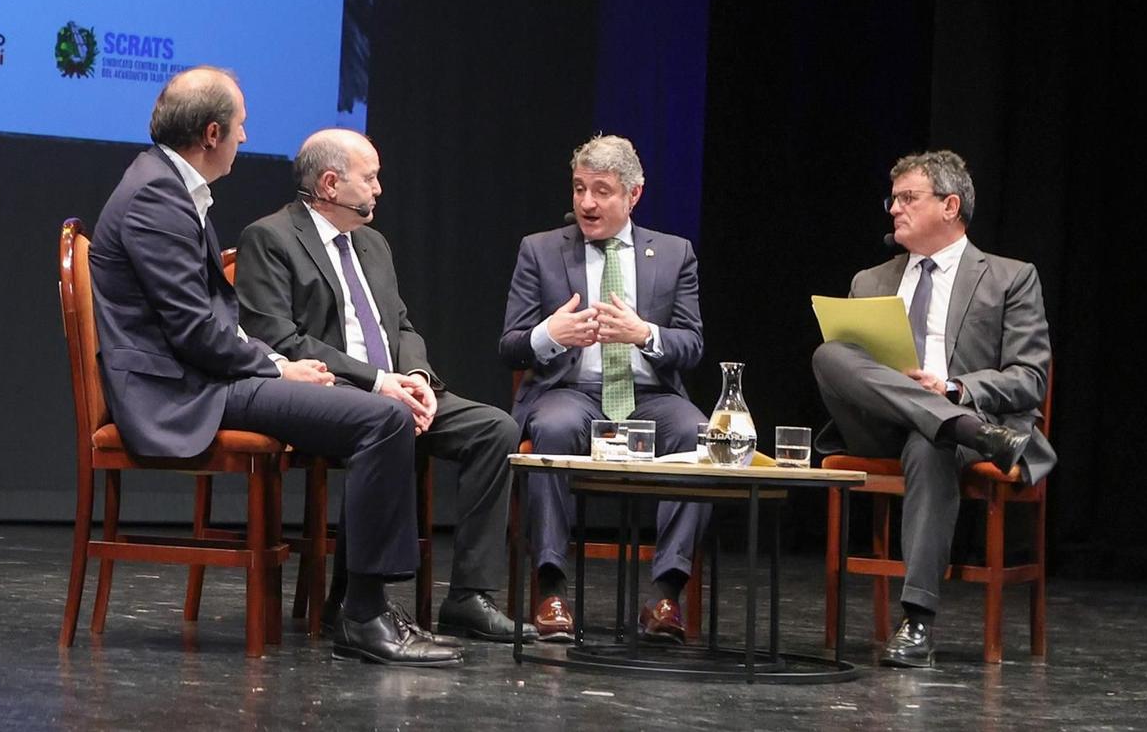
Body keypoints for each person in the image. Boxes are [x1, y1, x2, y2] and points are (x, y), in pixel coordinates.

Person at [88, 69, 460, 665]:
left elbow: (207, 322)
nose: (244, 135)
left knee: (377, 412)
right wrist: (277, 368)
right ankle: (362, 616)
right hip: (185, 389)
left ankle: (360, 605)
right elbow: (193, 332)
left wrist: (275, 363)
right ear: (212, 133)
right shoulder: (156, 197)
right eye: (239, 126)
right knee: (381, 420)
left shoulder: (166, 186)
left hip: (208, 375)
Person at [234, 129, 532, 644]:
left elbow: (402, 326)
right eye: (369, 178)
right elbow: (277, 336)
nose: (379, 189)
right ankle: (357, 602)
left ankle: (468, 598)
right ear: (330, 184)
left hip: (394, 386)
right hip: (325, 393)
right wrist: (375, 383)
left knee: (496, 430)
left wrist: (415, 378)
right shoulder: (271, 237)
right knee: (384, 422)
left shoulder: (373, 243)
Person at [812, 149, 1052, 668]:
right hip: (883, 427)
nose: (894, 209)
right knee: (829, 354)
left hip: (952, 428)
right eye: (892, 199)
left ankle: (917, 620)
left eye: (907, 198)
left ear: (949, 205)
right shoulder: (869, 281)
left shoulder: (1010, 278)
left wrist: (955, 390)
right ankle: (966, 429)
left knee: (931, 439)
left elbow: (1030, 378)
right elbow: (852, 376)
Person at [497, 134, 709, 643]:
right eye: (579, 189)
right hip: (571, 391)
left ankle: (665, 595)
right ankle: (550, 590)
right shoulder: (541, 250)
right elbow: (510, 345)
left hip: (650, 397)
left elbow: (692, 344)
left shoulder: (674, 253)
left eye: (602, 191)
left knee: (702, 434)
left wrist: (645, 334)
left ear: (633, 196)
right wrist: (551, 334)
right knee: (551, 429)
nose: (587, 203)